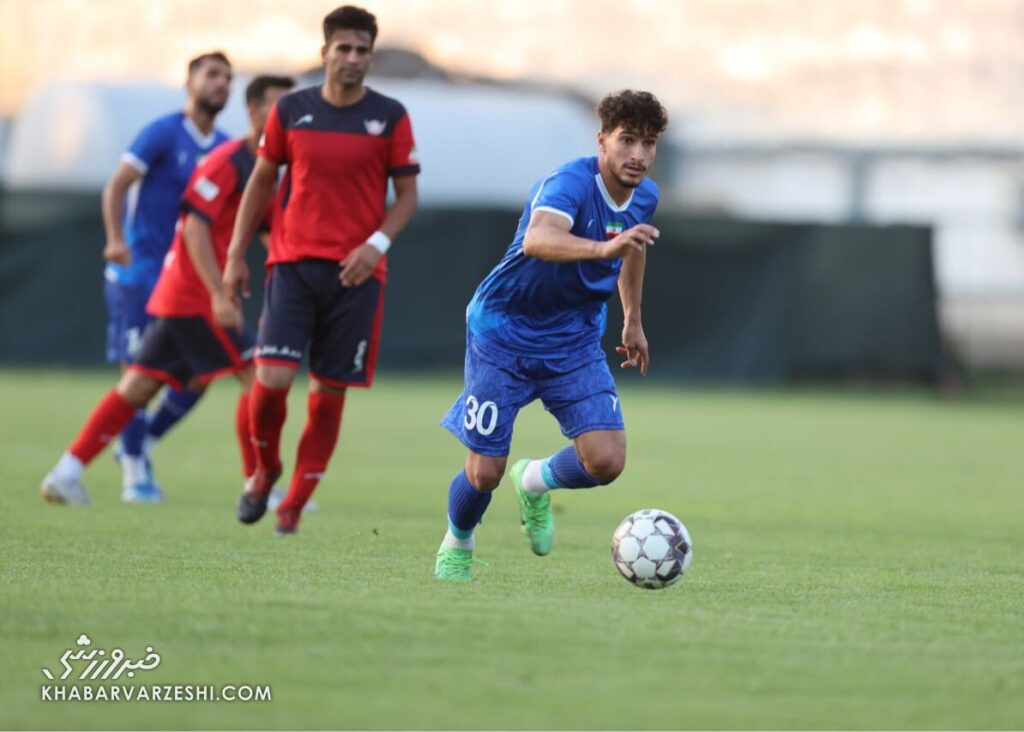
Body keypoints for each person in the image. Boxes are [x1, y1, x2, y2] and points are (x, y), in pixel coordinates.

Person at [433, 90, 668, 580]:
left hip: (573, 338)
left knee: (606, 461)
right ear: (602, 141)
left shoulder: (645, 195)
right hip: (503, 331)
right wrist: (603, 250)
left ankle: (535, 480)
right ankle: (458, 541)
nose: (638, 154)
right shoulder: (569, 183)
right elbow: (539, 239)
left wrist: (632, 318)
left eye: (648, 143)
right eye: (627, 140)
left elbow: (634, 246)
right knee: (484, 473)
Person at [40, 75, 296, 506]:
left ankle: (66, 473)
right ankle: (259, 486)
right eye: (278, 107)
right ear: (254, 112)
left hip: (184, 297)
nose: (287, 117)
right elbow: (193, 227)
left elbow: (268, 229)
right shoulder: (228, 160)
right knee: (259, 376)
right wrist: (218, 293)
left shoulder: (266, 168)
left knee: (138, 386)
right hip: (195, 295)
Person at [223, 5, 420, 536]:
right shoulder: (292, 109)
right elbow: (260, 182)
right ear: (325, 52)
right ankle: (265, 471)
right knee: (270, 380)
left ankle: (292, 506)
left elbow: (407, 196)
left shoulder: (390, 115)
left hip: (357, 277)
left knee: (329, 392)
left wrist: (375, 245)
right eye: (344, 48)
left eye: (362, 50)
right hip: (292, 266)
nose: (352, 57)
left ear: (370, 57)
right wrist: (236, 254)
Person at [101, 52, 233, 502]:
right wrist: (115, 238)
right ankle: (133, 473)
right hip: (140, 273)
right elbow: (118, 184)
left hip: (188, 282)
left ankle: (142, 443)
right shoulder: (162, 132)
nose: (220, 83)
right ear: (189, 82)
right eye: (211, 74)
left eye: (227, 77)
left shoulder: (226, 147)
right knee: (138, 374)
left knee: (204, 371)